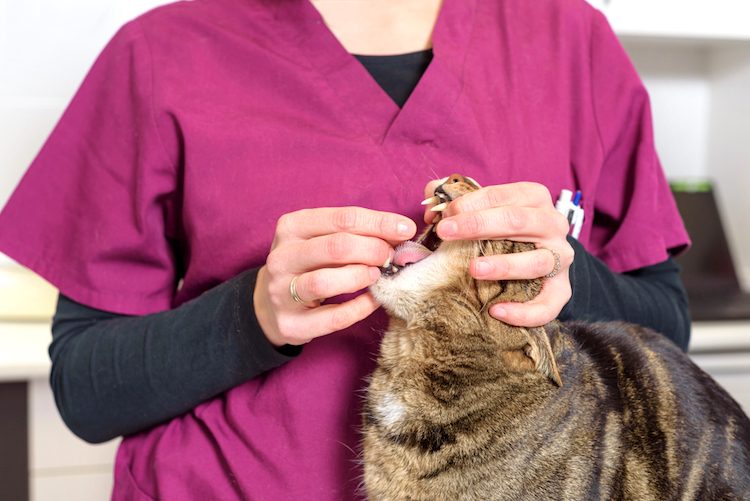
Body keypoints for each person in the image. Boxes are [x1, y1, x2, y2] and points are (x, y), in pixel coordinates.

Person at [0, 0, 691, 498]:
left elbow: (668, 336)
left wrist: (560, 268)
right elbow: (86, 392)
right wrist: (255, 314)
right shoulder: (159, 54)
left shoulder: (574, 41)